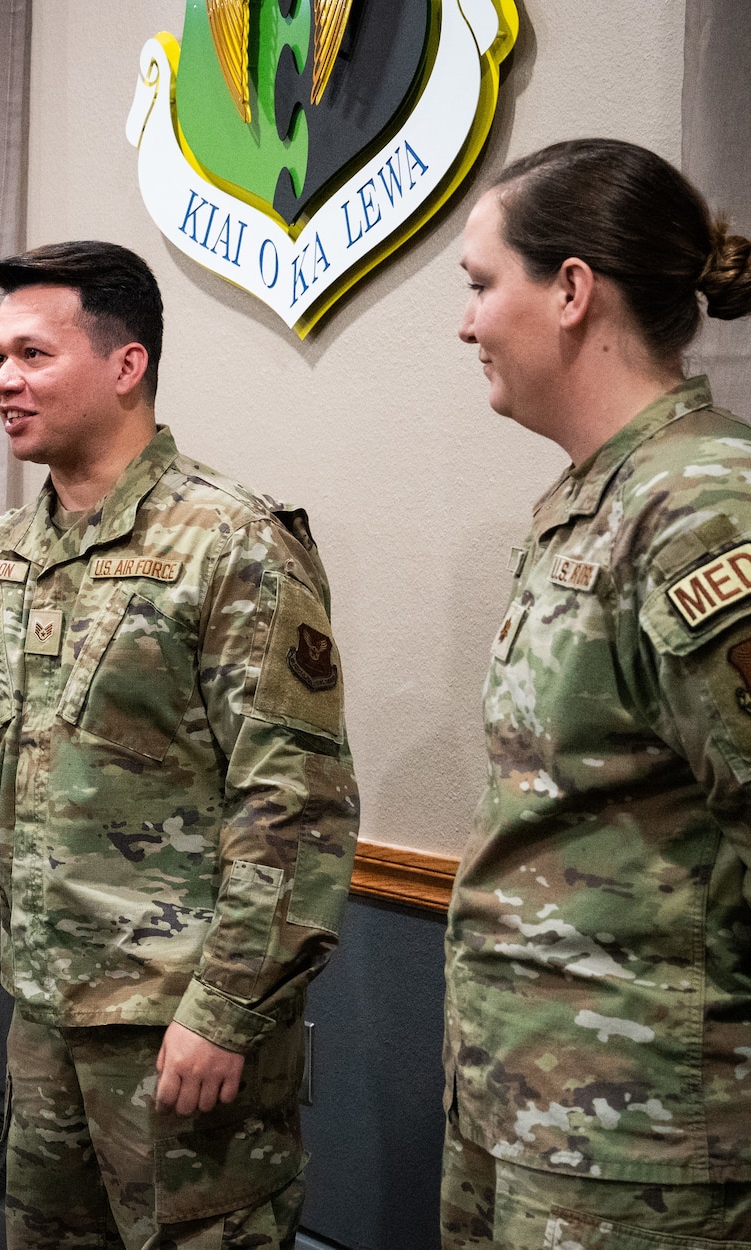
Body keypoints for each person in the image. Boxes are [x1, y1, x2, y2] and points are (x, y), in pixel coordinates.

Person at [0, 241, 361, 1248]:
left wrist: (225, 1010)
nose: (3, 380)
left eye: (31, 354)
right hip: (47, 1011)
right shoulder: (5, 551)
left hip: (175, 1024)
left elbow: (292, 805)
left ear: (124, 364)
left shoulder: (229, 541)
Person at [441, 139, 751, 1247]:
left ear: (570, 290)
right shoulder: (592, 499)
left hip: (647, 1140)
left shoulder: (702, 508)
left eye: (481, 285)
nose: (466, 321)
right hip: (534, 1104)